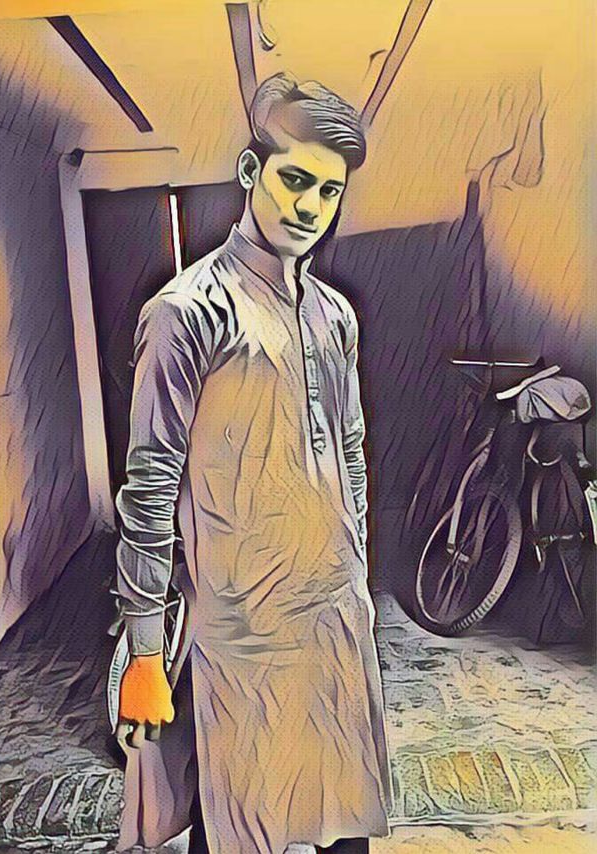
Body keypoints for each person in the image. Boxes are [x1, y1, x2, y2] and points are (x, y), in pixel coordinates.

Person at [112, 72, 393, 854]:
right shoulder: (185, 314)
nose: (310, 207)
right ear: (250, 170)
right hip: (241, 637)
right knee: (239, 831)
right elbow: (149, 489)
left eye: (329, 191)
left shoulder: (335, 316)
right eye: (295, 179)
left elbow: (349, 451)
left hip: (333, 620)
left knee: (343, 827)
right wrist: (144, 651)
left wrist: (357, 578)